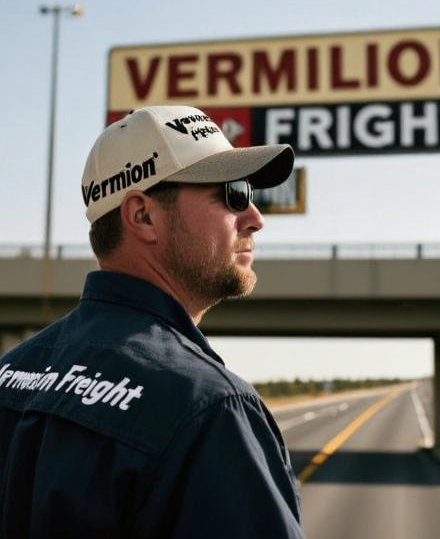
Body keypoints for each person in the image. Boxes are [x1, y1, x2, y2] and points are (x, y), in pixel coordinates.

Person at [0, 105, 305, 538]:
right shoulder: (209, 408)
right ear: (142, 215)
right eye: (234, 193)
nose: (255, 217)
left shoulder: (12, 374)